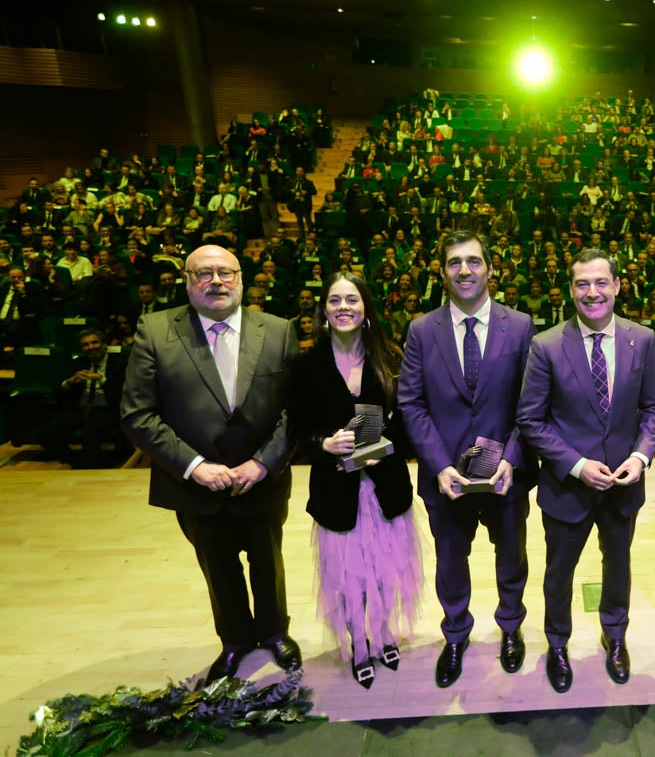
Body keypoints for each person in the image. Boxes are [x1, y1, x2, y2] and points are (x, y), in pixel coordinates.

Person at [120, 244, 301, 686]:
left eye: (225, 272)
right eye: (204, 273)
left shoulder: (278, 331)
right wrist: (195, 466)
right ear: (187, 280)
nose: (216, 281)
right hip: (195, 483)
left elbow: (296, 410)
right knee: (216, 564)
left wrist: (262, 464)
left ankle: (275, 632)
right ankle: (235, 639)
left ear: (241, 278)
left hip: (261, 478)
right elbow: (137, 413)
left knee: (267, 558)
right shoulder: (155, 330)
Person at [516, 248, 655, 693]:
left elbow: (653, 408)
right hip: (567, 486)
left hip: (622, 486)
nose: (592, 292)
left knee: (618, 566)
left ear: (618, 286)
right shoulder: (546, 345)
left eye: (601, 282)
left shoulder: (643, 338)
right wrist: (577, 465)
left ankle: (614, 636)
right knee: (559, 573)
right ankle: (557, 644)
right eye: (582, 284)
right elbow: (530, 420)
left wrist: (640, 457)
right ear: (571, 290)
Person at [397, 231, 537, 689]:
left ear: (490, 268)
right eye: (454, 262)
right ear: (442, 272)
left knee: (512, 558)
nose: (464, 270)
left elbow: (530, 403)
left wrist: (512, 458)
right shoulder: (422, 329)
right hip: (448, 478)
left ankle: (511, 628)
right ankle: (455, 634)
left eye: (474, 261)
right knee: (450, 562)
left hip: (504, 476)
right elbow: (411, 403)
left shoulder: (519, 325)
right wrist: (439, 466)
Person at [286, 272, 423, 690]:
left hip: (385, 485)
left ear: (366, 309)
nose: (343, 307)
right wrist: (322, 444)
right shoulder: (306, 365)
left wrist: (385, 443)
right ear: (323, 311)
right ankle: (358, 644)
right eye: (334, 300)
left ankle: (383, 635)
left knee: (385, 571)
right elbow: (295, 428)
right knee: (347, 578)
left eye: (352, 300)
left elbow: (409, 423)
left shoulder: (390, 358)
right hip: (336, 489)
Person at [33, 328, 129, 468]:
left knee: (91, 430)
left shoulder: (119, 363)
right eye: (86, 345)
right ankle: (75, 461)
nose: (90, 347)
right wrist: (69, 382)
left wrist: (101, 379)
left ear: (104, 344)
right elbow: (58, 391)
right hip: (81, 409)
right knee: (44, 433)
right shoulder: (79, 363)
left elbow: (125, 392)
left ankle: (87, 468)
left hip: (108, 409)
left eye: (94, 342)